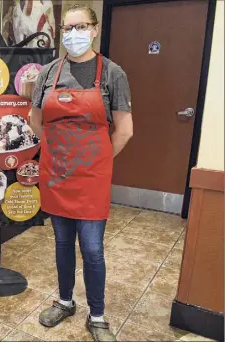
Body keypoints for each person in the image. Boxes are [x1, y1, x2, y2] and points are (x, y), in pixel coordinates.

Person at [29, 4, 133, 342]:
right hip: (56, 175)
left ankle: (98, 316)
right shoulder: (48, 73)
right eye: (67, 27)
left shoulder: (113, 73)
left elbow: (124, 130)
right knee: (61, 242)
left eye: (80, 26)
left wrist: (95, 161)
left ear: (94, 29)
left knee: (91, 248)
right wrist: (58, 155)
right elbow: (36, 119)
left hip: (91, 179)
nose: (73, 34)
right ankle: (64, 300)